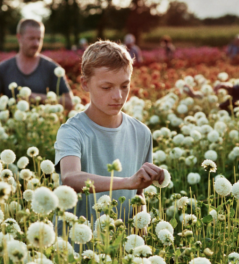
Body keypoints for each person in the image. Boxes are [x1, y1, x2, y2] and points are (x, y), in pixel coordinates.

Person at [55, 40, 164, 225]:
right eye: (106, 87)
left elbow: (138, 193)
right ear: (85, 84)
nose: (118, 96)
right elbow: (70, 177)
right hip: (76, 247)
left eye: (124, 86)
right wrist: (127, 181)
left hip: (121, 247)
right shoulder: (71, 131)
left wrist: (141, 228)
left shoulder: (141, 132)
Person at [0, 19, 74, 117]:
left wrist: (38, 97)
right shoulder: (1, 69)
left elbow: (69, 102)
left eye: (39, 39)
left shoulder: (53, 69)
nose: (36, 44)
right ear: (19, 37)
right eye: (31, 38)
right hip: (12, 128)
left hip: (43, 128)